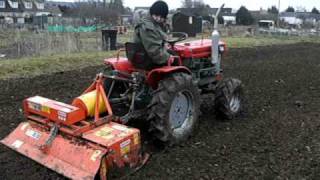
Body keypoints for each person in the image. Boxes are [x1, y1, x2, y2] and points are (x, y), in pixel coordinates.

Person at [133, 1, 171, 67]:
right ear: (152, 12)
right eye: (156, 15)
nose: (158, 19)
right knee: (178, 59)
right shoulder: (147, 26)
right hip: (148, 59)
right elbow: (154, 51)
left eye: (161, 17)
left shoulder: (157, 24)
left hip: (151, 55)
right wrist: (168, 57)